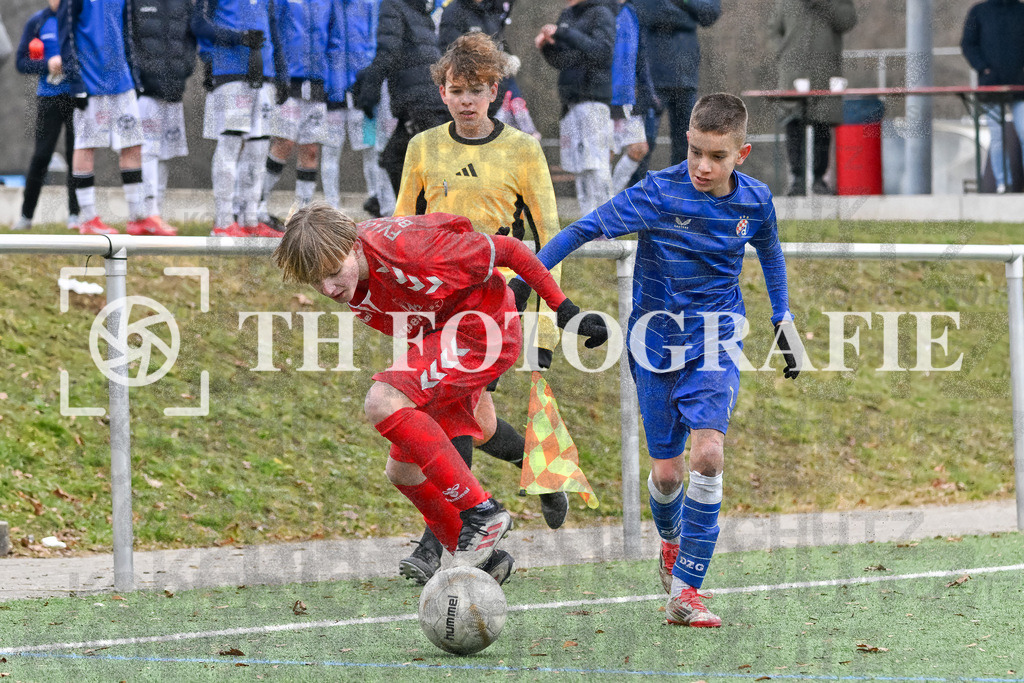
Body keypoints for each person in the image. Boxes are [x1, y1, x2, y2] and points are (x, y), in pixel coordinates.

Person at [521, 93, 805, 627]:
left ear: (741, 154)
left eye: (717, 156)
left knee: (708, 456)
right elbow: (583, 228)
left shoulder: (756, 200)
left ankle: (686, 591)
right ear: (687, 141)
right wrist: (526, 276)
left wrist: (782, 318)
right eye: (696, 151)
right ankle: (671, 539)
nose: (703, 166)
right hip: (653, 345)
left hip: (717, 339)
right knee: (668, 474)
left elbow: (769, 250)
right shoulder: (657, 192)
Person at [272, 203, 608, 584]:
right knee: (402, 470)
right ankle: (484, 562)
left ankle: (482, 514)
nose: (328, 289)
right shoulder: (352, 272)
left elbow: (511, 250)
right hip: (444, 336)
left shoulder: (411, 250)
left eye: (333, 273)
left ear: (352, 243)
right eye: (316, 282)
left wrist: (565, 309)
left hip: (483, 330)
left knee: (383, 401)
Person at [393, 32, 566, 584]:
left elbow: (549, 236)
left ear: (495, 91)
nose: (466, 100)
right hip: (436, 302)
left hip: (495, 304)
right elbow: (402, 229)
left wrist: (545, 324)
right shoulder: (423, 147)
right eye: (456, 90)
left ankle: (439, 542)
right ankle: (537, 467)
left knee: (451, 410)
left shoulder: (522, 149)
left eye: (477, 89)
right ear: (442, 92)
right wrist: (401, 305)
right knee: (478, 421)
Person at [192, 0, 288, 237]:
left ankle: (250, 218)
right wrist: (237, 38)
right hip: (230, 73)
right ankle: (224, 221)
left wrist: (282, 73)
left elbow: (274, 31)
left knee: (258, 149)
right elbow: (198, 24)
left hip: (264, 75)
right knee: (230, 145)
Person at [57, 0, 153, 235]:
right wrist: (75, 81)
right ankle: (88, 219)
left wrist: (135, 77)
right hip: (90, 81)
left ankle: (137, 217)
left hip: (122, 82)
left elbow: (127, 32)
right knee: (86, 146)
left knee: (133, 145)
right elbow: (66, 34)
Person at [350, 0, 450, 195]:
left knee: (403, 162)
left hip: (417, 101)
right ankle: (418, 210)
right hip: (430, 97)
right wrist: (367, 78)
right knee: (396, 158)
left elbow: (389, 50)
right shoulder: (419, 8)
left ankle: (423, 211)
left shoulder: (393, 5)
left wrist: (371, 86)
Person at [255, 0, 333, 230]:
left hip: (318, 80)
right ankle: (258, 205)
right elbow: (273, 30)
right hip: (289, 80)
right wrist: (276, 72)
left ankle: (303, 217)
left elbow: (334, 38)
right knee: (283, 143)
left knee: (311, 149)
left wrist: (334, 82)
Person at [535, 0, 616, 217]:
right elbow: (563, 61)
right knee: (578, 167)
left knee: (596, 164)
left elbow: (602, 53)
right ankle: (587, 221)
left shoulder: (602, 12)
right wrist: (547, 47)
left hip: (594, 100)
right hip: (570, 103)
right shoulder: (568, 15)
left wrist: (563, 32)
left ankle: (607, 220)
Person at [769, 0, 857, 196]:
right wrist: (783, 53)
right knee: (793, 122)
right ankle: (797, 180)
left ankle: (819, 179)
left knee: (822, 124)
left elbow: (847, 21)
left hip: (825, 71)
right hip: (792, 72)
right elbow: (774, 29)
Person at [629, 0, 720, 185]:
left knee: (687, 145)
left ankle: (680, 193)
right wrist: (687, 17)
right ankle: (635, 194)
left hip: (686, 77)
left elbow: (710, 14)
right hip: (651, 79)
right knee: (643, 143)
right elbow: (645, 13)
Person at [321, 0, 394, 216]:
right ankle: (331, 207)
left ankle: (376, 200)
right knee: (330, 149)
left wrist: (371, 83)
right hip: (332, 90)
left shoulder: (371, 3)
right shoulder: (326, 4)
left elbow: (375, 43)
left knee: (370, 147)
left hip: (363, 91)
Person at [131, 0, 197, 235]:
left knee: (165, 152)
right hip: (146, 90)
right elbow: (127, 37)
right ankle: (146, 213)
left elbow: (190, 38)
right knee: (147, 151)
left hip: (173, 88)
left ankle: (155, 213)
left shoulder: (184, 3)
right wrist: (138, 75)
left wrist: (184, 68)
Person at [13, 0, 80, 232]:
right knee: (41, 156)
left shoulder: (78, 18)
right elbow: (21, 63)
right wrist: (46, 64)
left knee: (76, 156)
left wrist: (69, 65)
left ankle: (75, 216)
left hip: (77, 97)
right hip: (49, 98)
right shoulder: (37, 21)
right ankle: (25, 217)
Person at [961, 0, 1024, 194]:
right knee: (996, 136)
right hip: (991, 86)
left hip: (1020, 86)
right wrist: (983, 68)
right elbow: (968, 44)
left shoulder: (1021, 10)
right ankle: (1003, 184)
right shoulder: (979, 11)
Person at [609, 0, 654, 194]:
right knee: (607, 152)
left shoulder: (633, 11)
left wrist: (647, 90)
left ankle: (610, 196)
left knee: (639, 148)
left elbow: (641, 56)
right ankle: (600, 202)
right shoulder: (601, 9)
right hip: (605, 95)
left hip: (628, 95)